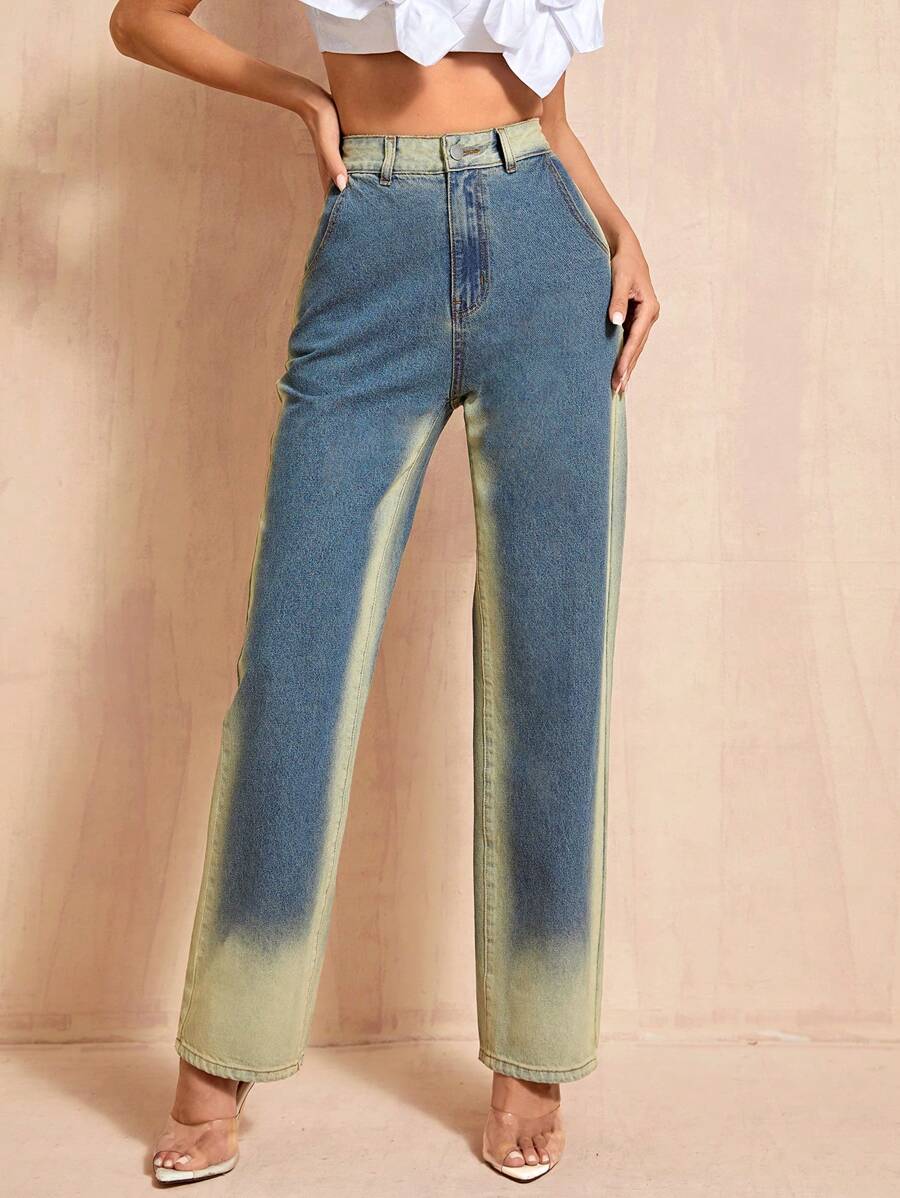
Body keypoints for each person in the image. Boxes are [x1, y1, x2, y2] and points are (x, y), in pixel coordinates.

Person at [109, 0, 659, 1184]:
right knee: (292, 667)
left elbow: (551, 112)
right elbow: (140, 21)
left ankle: (534, 1059)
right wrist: (302, 98)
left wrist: (621, 231)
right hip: (372, 244)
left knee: (554, 669)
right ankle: (219, 1059)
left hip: (548, 249)